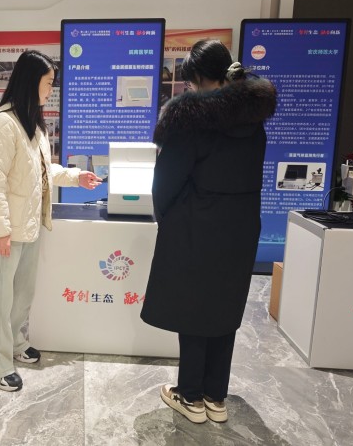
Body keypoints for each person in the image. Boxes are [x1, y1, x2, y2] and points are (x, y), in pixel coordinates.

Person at [140, 40, 277, 423]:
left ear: (199, 77)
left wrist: (169, 218)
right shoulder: (254, 120)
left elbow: (165, 182)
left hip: (196, 225)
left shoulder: (191, 120)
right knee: (224, 307)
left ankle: (190, 397)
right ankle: (216, 397)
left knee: (193, 308)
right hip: (241, 227)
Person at [0, 50, 102, 392]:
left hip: (28, 226)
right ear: (31, 82)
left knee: (20, 295)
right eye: (48, 83)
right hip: (6, 231)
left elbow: (42, 171)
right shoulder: (1, 125)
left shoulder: (32, 125)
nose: (50, 90)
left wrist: (75, 177)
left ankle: (14, 343)